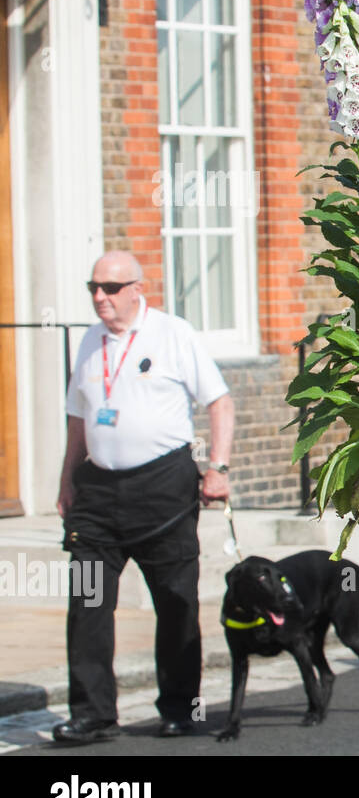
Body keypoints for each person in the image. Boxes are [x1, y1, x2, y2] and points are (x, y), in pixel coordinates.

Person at [53, 250, 234, 743]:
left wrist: (217, 467)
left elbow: (218, 401)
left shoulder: (173, 333)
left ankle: (180, 708)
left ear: (137, 289)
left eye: (110, 288)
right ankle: (92, 713)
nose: (99, 297)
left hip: (163, 488)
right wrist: (67, 479)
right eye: (93, 287)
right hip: (97, 493)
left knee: (175, 601)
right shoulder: (90, 340)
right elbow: (78, 416)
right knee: (87, 602)